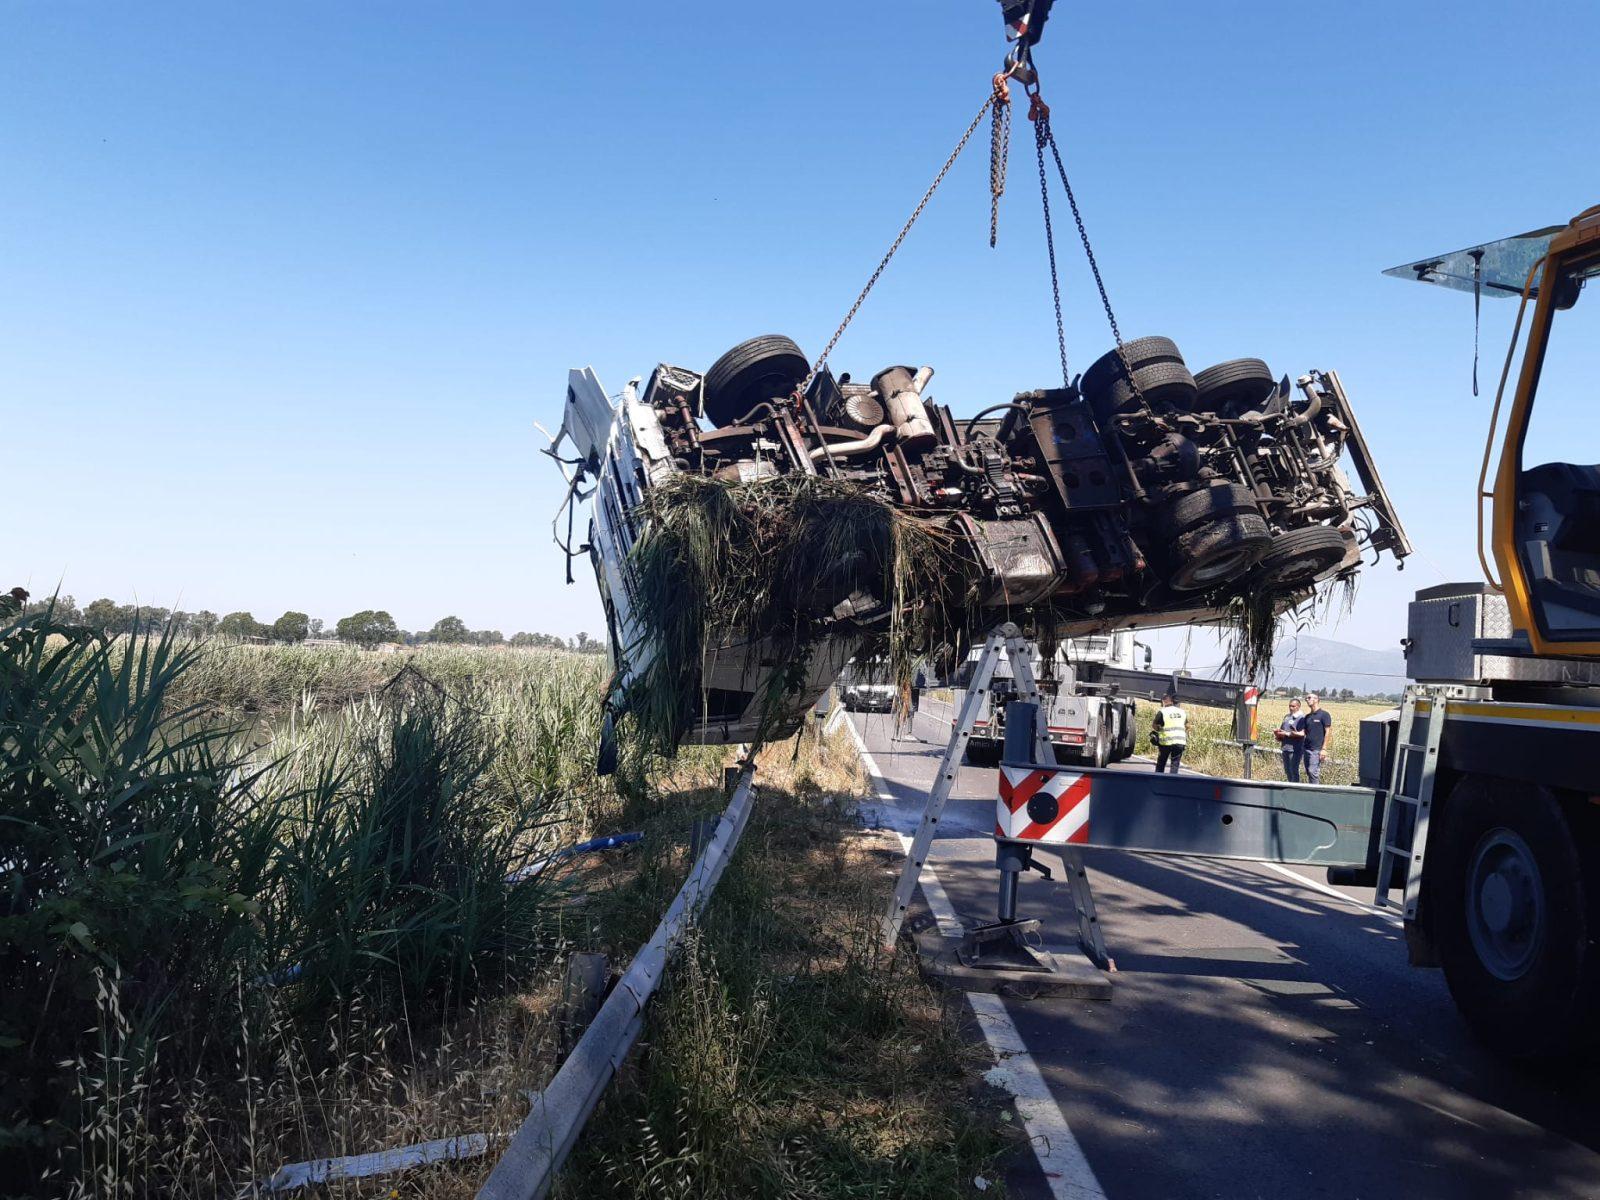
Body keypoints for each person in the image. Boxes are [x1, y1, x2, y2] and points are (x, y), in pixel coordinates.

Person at [1152, 689, 1187, 774]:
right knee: (1175, 764)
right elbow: (1187, 726)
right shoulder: (1182, 712)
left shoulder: (1162, 711)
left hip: (1166, 742)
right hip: (1180, 742)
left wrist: (1159, 730)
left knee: (1161, 763)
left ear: (1163, 702)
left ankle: (1158, 781)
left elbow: (1155, 725)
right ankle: (1172, 783)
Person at [1300, 692, 1333, 784]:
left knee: (1312, 771)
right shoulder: (1307, 717)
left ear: (1316, 700)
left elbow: (1328, 732)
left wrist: (1324, 749)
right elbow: (1305, 732)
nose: (1307, 700)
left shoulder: (1324, 715)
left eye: (1309, 698)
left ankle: (1315, 793)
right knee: (1308, 772)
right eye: (1306, 698)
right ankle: (1311, 790)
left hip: (1317, 749)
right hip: (1307, 748)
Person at [1275, 698, 1306, 781]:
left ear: (1298, 706)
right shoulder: (1287, 717)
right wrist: (1278, 733)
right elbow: (1283, 730)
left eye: (1293, 706)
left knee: (1293, 770)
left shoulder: (1302, 718)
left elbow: (1302, 734)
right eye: (1289, 706)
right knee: (1287, 770)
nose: (1291, 708)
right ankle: (1290, 785)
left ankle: (1295, 789)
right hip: (1285, 747)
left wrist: (1286, 733)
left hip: (1295, 749)